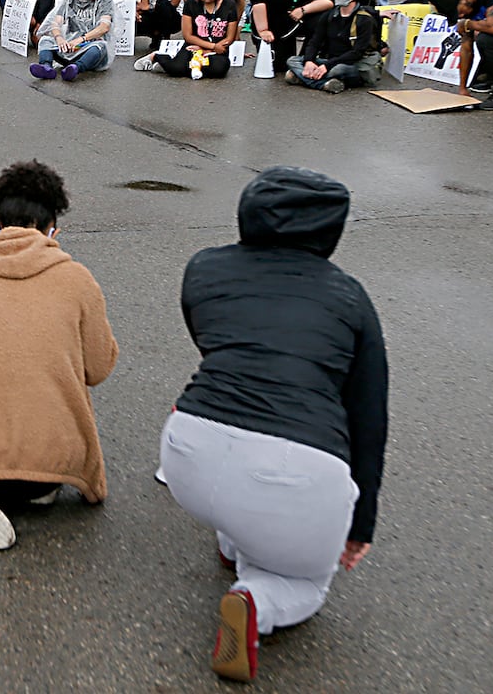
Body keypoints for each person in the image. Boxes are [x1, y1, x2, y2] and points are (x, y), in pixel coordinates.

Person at [160, 167, 387, 684]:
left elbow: (214, 343)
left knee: (241, 487)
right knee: (308, 579)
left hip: (188, 449)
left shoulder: (205, 268)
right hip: (293, 467)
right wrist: (360, 525)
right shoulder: (350, 296)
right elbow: (369, 417)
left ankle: (234, 541)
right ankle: (256, 601)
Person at [0, 160, 116, 549]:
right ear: (53, 231)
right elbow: (97, 369)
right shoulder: (78, 280)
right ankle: (36, 487)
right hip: (53, 465)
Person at [285, 0, 384, 93]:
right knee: (292, 60)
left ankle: (303, 78)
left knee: (337, 70)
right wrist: (309, 61)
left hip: (352, 64)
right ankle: (324, 84)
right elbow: (315, 41)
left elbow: (357, 53)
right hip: (330, 60)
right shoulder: (329, 15)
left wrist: (327, 66)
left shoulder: (364, 20)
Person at [136, 0, 239, 78]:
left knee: (218, 69)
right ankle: (156, 57)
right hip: (194, 45)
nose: (207, 0)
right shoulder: (190, 3)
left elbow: (230, 36)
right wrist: (209, 46)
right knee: (177, 69)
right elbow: (187, 35)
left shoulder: (229, 4)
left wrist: (213, 49)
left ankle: (184, 66)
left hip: (218, 49)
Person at [250, 0, 334, 76]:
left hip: (295, 17)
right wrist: (264, 30)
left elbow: (329, 1)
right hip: (269, 18)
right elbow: (258, 0)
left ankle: (307, 58)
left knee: (323, 18)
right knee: (279, 66)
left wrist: (303, 9)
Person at [30, 0, 114, 81]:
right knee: (46, 40)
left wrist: (81, 40)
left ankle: (75, 69)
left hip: (89, 45)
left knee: (101, 47)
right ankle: (46, 67)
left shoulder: (104, 0)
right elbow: (55, 22)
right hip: (69, 46)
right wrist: (59, 38)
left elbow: (104, 27)